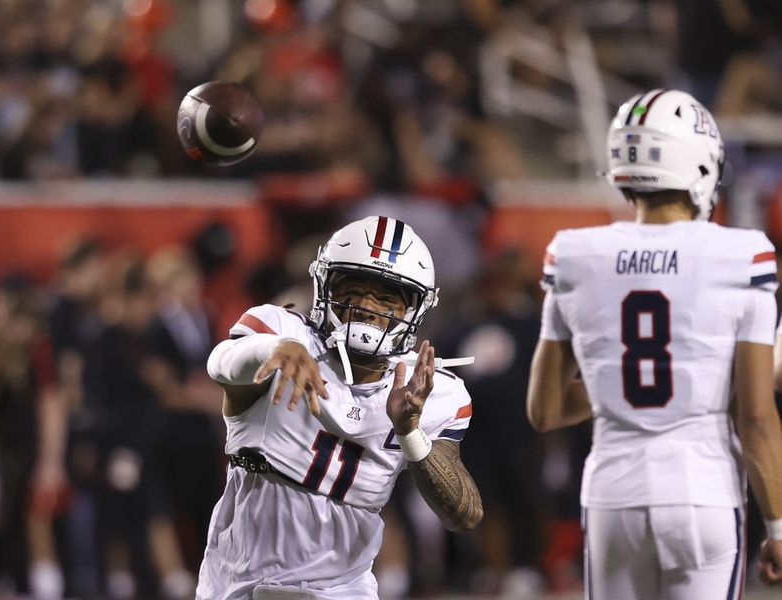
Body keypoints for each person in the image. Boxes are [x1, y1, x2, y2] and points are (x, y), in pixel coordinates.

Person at [527, 88, 782, 599]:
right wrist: (778, 527)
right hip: (703, 492)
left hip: (612, 497)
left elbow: (545, 410)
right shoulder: (742, 255)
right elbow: (755, 417)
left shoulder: (574, 254)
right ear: (700, 165)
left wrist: (615, 387)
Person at [197, 216, 483, 600]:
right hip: (238, 582)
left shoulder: (431, 391)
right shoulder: (284, 333)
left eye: (386, 298)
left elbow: (464, 514)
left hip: (343, 590)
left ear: (415, 309)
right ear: (325, 287)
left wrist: (410, 431)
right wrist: (273, 350)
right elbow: (221, 363)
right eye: (354, 290)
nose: (367, 307)